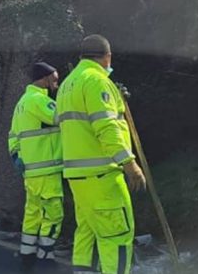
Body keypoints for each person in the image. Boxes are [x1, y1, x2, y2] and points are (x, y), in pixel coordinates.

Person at [56, 34, 146, 274]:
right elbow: (106, 127)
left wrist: (117, 98)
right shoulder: (97, 81)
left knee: (86, 231)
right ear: (107, 57)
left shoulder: (67, 84)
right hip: (103, 176)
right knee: (117, 237)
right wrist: (129, 163)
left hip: (78, 177)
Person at [8, 62, 64, 270]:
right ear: (46, 78)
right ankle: (45, 257)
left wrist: (16, 156)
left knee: (33, 212)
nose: (57, 85)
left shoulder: (22, 102)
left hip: (31, 171)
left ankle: (27, 254)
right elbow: (62, 117)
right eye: (55, 80)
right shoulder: (40, 100)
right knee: (53, 214)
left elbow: (13, 135)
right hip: (47, 169)